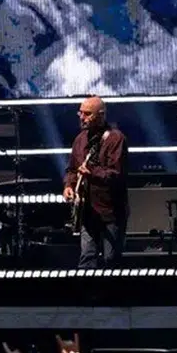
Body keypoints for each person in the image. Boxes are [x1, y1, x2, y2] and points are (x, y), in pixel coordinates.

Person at [64, 96, 128, 268]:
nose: (81, 117)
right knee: (86, 258)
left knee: (110, 260)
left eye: (87, 114)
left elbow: (116, 174)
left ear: (100, 115)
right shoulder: (80, 140)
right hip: (87, 211)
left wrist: (92, 172)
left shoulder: (115, 139)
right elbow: (72, 169)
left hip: (111, 211)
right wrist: (69, 185)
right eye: (80, 113)